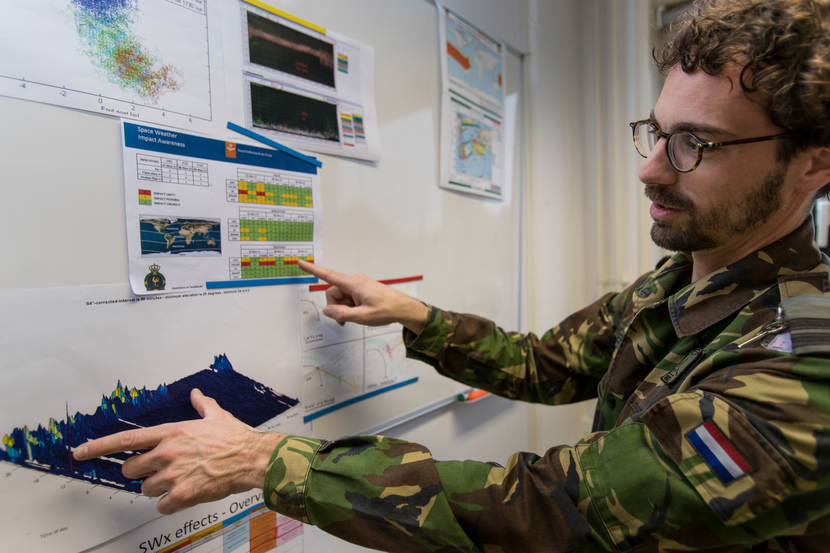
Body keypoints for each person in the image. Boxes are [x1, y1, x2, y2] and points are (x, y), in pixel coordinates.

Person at [74, 0, 830, 551]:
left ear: (813, 165)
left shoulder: (807, 366)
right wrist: (413, 316)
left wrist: (266, 459)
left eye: (697, 144)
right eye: (657, 132)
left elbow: (555, 509)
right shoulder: (677, 282)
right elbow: (547, 363)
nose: (650, 168)